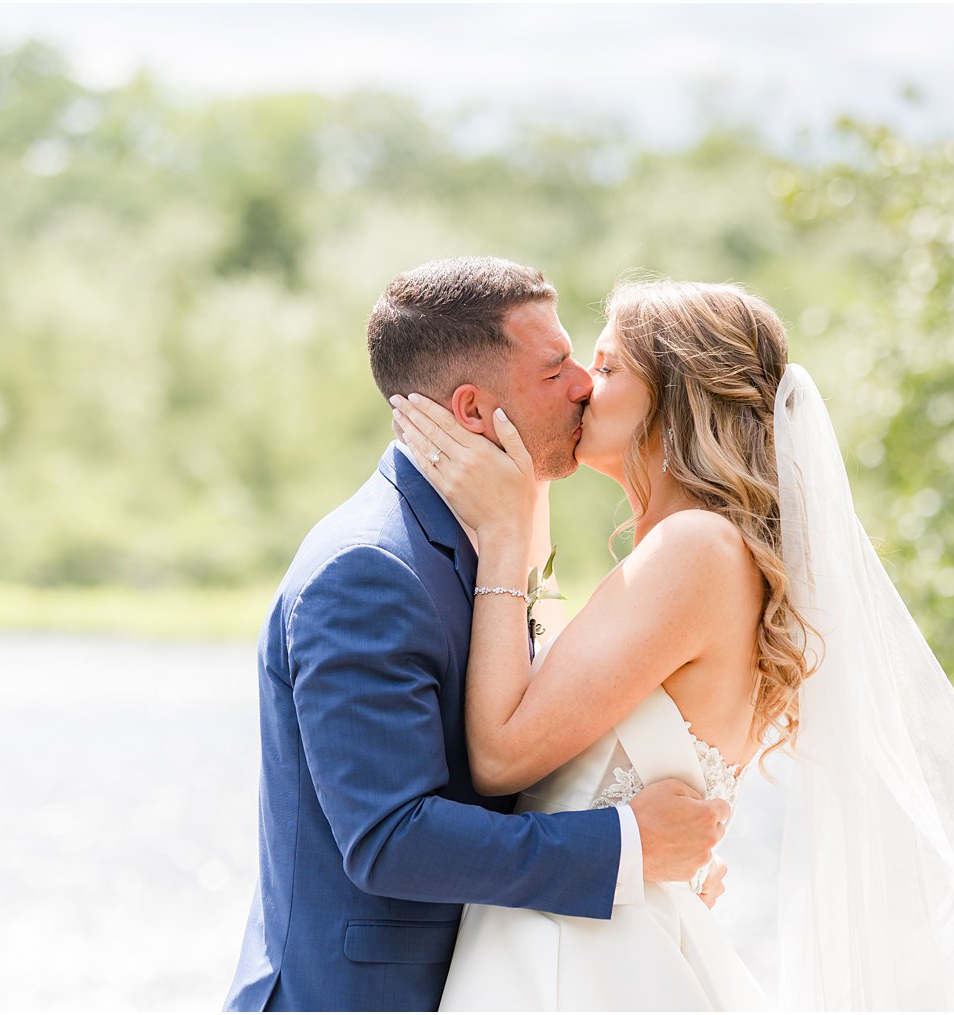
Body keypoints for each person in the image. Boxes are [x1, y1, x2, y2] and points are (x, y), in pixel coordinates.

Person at [393, 278, 954, 1010]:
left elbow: (504, 753)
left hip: (582, 962)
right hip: (593, 942)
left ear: (675, 396)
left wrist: (505, 536)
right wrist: (525, 500)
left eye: (606, 369)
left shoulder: (694, 549)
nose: (579, 389)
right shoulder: (699, 551)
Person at [223, 258, 730, 1013]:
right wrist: (626, 846)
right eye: (556, 368)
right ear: (471, 408)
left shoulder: (492, 540)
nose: (583, 385)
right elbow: (390, 837)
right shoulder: (369, 568)